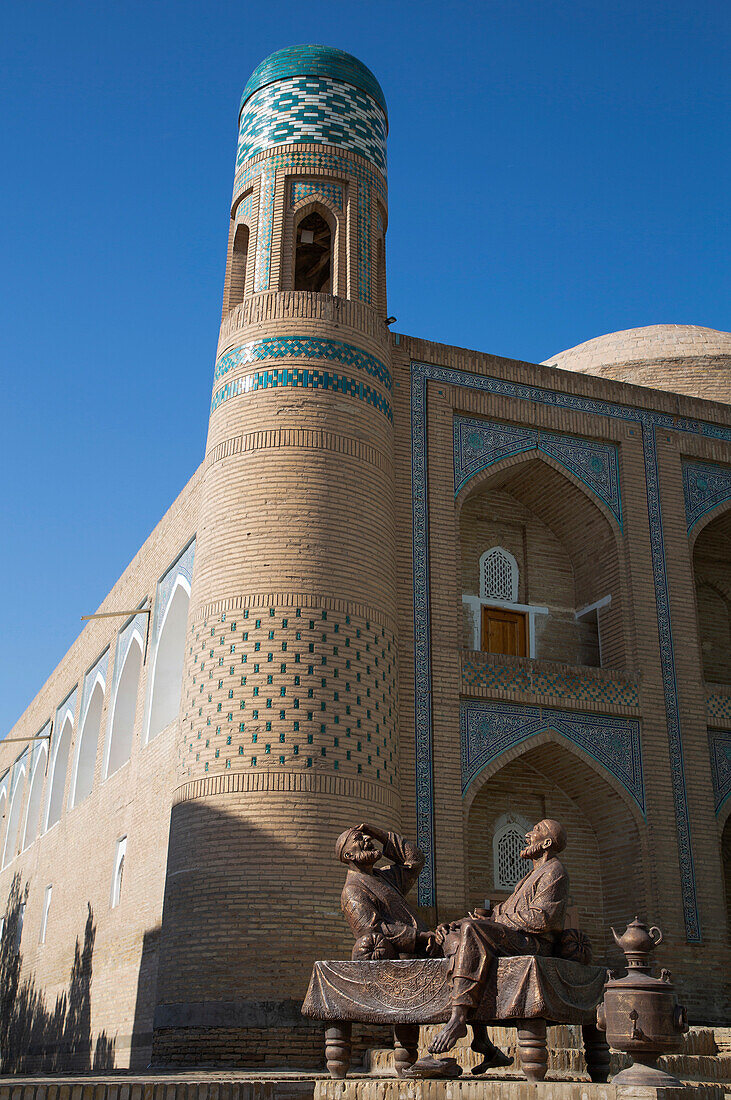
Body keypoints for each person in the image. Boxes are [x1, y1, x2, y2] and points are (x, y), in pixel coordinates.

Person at [428, 818, 569, 1058]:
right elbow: (503, 912)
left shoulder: (555, 871)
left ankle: (459, 1017)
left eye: (535, 831)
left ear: (546, 842)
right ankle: (482, 1039)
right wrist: (459, 923)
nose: (527, 835)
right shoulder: (529, 877)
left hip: (535, 943)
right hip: (515, 937)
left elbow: (543, 918)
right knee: (454, 939)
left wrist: (486, 923)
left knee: (473, 931)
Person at [336, 822, 439, 958]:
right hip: (406, 956)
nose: (367, 838)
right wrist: (419, 936)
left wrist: (380, 834)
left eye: (366, 836)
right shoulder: (353, 890)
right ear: (349, 855)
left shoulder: (384, 876)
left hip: (426, 947)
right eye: (358, 838)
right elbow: (374, 930)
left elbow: (415, 860)